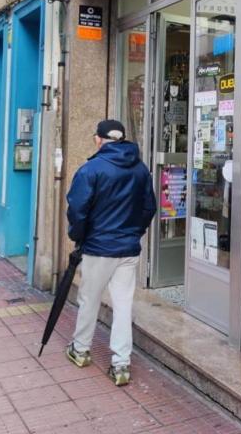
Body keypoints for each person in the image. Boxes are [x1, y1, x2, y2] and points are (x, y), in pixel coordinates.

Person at [65, 119, 156, 387]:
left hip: (98, 248)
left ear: (99, 139)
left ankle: (81, 349)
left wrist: (78, 237)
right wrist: (134, 233)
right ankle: (121, 364)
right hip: (128, 248)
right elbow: (148, 208)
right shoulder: (140, 169)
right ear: (122, 139)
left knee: (89, 299)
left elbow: (77, 210)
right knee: (123, 304)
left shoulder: (91, 169)